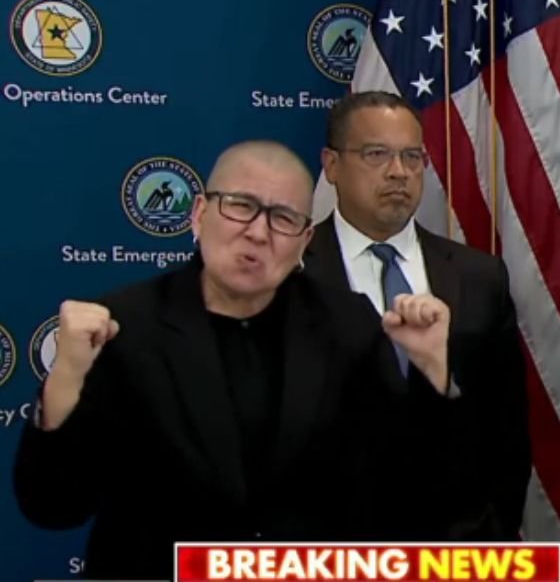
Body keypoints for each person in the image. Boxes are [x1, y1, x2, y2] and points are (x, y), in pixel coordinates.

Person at [13, 141, 458, 580]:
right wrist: (66, 379)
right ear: (199, 215)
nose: (259, 233)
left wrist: (431, 373)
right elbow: (53, 506)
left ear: (304, 240)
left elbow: (413, 495)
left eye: (283, 218)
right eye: (240, 206)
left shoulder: (349, 325)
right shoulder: (124, 327)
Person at [304, 91, 530, 541]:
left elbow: (507, 432)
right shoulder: (294, 269)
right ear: (331, 165)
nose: (398, 172)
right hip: (329, 548)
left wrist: (489, 533)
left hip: (454, 547)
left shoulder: (479, 276)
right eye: (376, 154)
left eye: (412, 156)